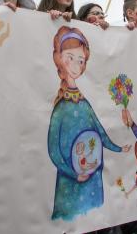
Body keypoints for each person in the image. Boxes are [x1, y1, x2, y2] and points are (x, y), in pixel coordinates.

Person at [47, 26, 131, 222]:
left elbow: (100, 133)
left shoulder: (84, 103)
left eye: (80, 60)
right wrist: (73, 173)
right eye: (69, 58)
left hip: (93, 175)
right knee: (71, 221)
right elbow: (54, 150)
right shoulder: (60, 108)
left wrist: (118, 148)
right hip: (70, 182)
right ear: (59, 59)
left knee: (96, 217)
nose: (75, 65)